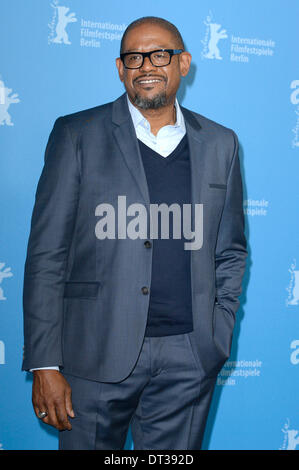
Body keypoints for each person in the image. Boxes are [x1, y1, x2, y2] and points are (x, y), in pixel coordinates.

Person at [22, 16, 247, 450]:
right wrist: (46, 363)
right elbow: (47, 252)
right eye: (133, 56)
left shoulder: (221, 143)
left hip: (189, 357)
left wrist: (217, 335)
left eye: (160, 54)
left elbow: (230, 249)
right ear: (120, 67)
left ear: (183, 63)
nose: (146, 65)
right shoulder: (76, 135)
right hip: (94, 353)